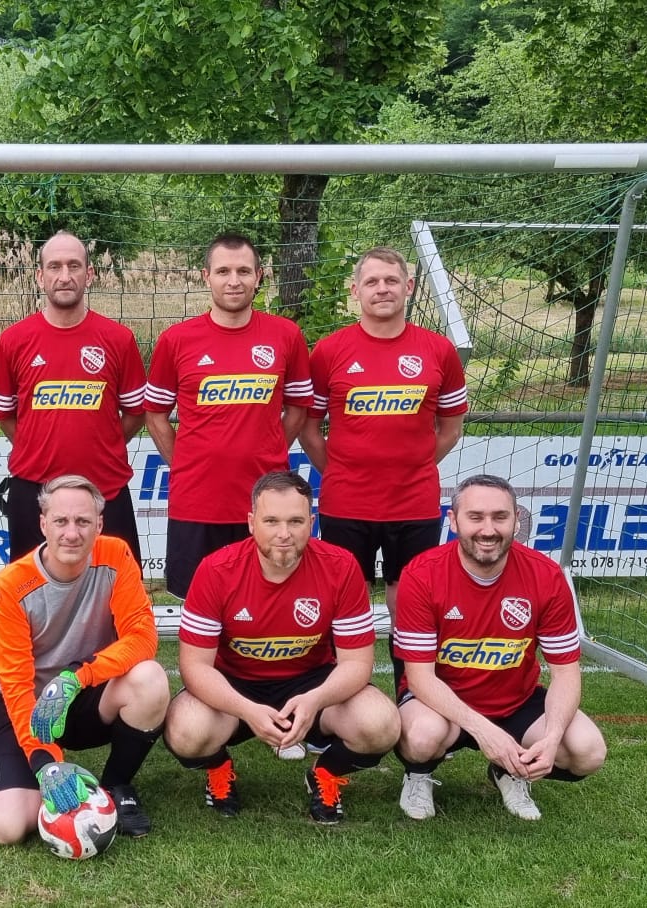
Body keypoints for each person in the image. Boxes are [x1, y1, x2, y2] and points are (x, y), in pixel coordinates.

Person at [164, 471, 400, 825]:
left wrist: (315, 700)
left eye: (295, 521)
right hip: (236, 685)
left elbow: (357, 663)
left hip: (313, 683)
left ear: (312, 523)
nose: (284, 533)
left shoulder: (341, 566)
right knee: (186, 732)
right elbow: (194, 666)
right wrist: (246, 709)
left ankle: (325, 773)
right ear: (251, 523)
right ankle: (218, 767)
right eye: (271, 521)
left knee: (381, 724)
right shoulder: (216, 570)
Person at [393, 475, 606, 821]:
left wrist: (552, 737)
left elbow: (566, 673)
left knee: (587, 751)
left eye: (500, 517)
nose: (488, 530)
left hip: (514, 702)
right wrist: (484, 731)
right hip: (440, 705)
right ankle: (418, 774)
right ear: (453, 520)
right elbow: (419, 678)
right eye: (475, 517)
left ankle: (509, 770)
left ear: (516, 520)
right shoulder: (422, 575)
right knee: (421, 737)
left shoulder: (546, 576)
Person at [0, 475, 169, 844]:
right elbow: (16, 686)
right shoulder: (11, 584)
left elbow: (142, 636)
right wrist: (45, 762)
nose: (72, 533)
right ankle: (29, 772)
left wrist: (76, 676)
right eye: (61, 521)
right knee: (7, 828)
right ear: (43, 524)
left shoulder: (116, 555)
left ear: (99, 524)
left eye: (83, 521)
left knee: (150, 679)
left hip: (84, 695)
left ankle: (116, 784)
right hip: (31, 707)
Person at [144, 233, 312, 599]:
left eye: (243, 271)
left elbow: (299, 408)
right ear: (206, 276)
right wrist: (185, 463)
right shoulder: (176, 340)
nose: (233, 281)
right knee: (197, 604)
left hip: (265, 502)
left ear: (259, 276)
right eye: (223, 271)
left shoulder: (286, 335)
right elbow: (155, 414)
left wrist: (269, 448)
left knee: (264, 600)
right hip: (197, 502)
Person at [299, 246, 467, 601]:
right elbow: (308, 430)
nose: (382, 289)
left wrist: (413, 466)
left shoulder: (440, 351)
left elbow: (451, 430)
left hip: (414, 501)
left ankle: (405, 645)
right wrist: (341, 471)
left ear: (409, 286)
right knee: (347, 596)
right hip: (346, 502)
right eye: (372, 281)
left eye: (391, 280)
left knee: (410, 595)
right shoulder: (328, 351)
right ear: (355, 290)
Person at [0, 232, 147, 559]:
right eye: (54, 267)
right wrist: (35, 446)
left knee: (116, 586)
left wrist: (104, 444)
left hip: (105, 488)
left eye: (74, 266)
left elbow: (136, 412)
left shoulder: (118, 339)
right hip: (34, 490)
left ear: (89, 274)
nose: (64, 276)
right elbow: (4, 414)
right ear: (40, 276)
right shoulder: (13, 340)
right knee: (33, 587)